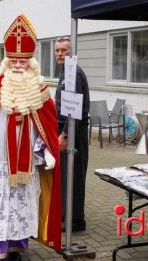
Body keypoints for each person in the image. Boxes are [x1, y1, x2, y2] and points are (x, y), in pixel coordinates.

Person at [0, 15, 61, 260]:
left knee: (19, 206)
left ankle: (16, 246)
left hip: (26, 167)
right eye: (14, 60)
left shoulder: (40, 89)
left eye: (24, 61)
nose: (18, 65)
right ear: (6, 60)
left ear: (32, 62)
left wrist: (47, 149)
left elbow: (45, 126)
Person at [54, 37, 90, 233]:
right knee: (66, 176)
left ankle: (75, 221)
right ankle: (66, 214)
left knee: (73, 175)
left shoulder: (73, 72)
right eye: (57, 50)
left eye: (64, 50)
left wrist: (65, 134)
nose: (60, 53)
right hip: (68, 130)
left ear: (71, 52)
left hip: (75, 131)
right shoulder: (65, 71)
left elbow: (73, 107)